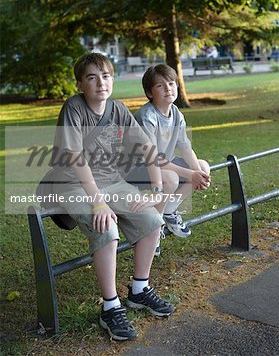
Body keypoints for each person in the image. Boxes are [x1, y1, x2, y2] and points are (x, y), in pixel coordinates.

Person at [51, 53, 175, 341]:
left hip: (111, 181)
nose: (100, 83)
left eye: (105, 76)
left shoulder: (118, 109)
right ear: (80, 84)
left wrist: (156, 190)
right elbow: (74, 159)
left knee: (153, 219)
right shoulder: (74, 109)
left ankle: (139, 289)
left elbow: (147, 148)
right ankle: (110, 306)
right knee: (106, 225)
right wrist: (98, 202)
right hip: (74, 185)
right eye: (92, 78)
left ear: (112, 80)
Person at [125, 64, 211, 252]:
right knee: (170, 178)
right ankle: (154, 228)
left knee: (203, 167)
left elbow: (186, 147)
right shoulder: (146, 116)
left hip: (162, 165)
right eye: (160, 86)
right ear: (149, 92)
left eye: (171, 83)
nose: (168, 89)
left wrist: (197, 173)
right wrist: (190, 173)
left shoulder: (177, 114)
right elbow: (153, 158)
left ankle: (170, 211)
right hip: (137, 168)